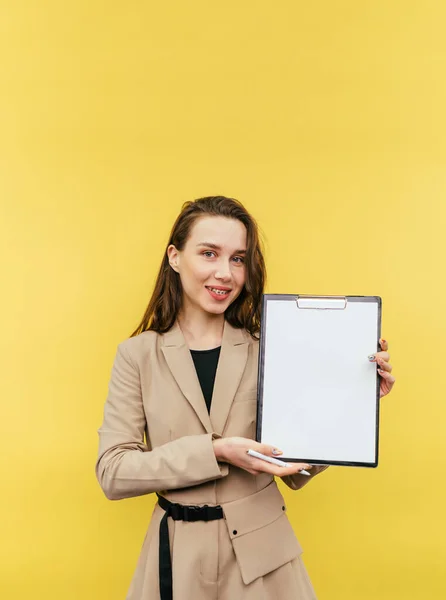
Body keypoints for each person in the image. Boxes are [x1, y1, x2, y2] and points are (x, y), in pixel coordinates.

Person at [95, 196, 395, 600]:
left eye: (238, 259)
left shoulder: (271, 347)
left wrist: (350, 403)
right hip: (174, 560)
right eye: (208, 253)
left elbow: (296, 468)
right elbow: (113, 472)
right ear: (175, 257)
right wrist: (216, 451)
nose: (225, 273)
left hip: (265, 563)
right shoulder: (137, 355)